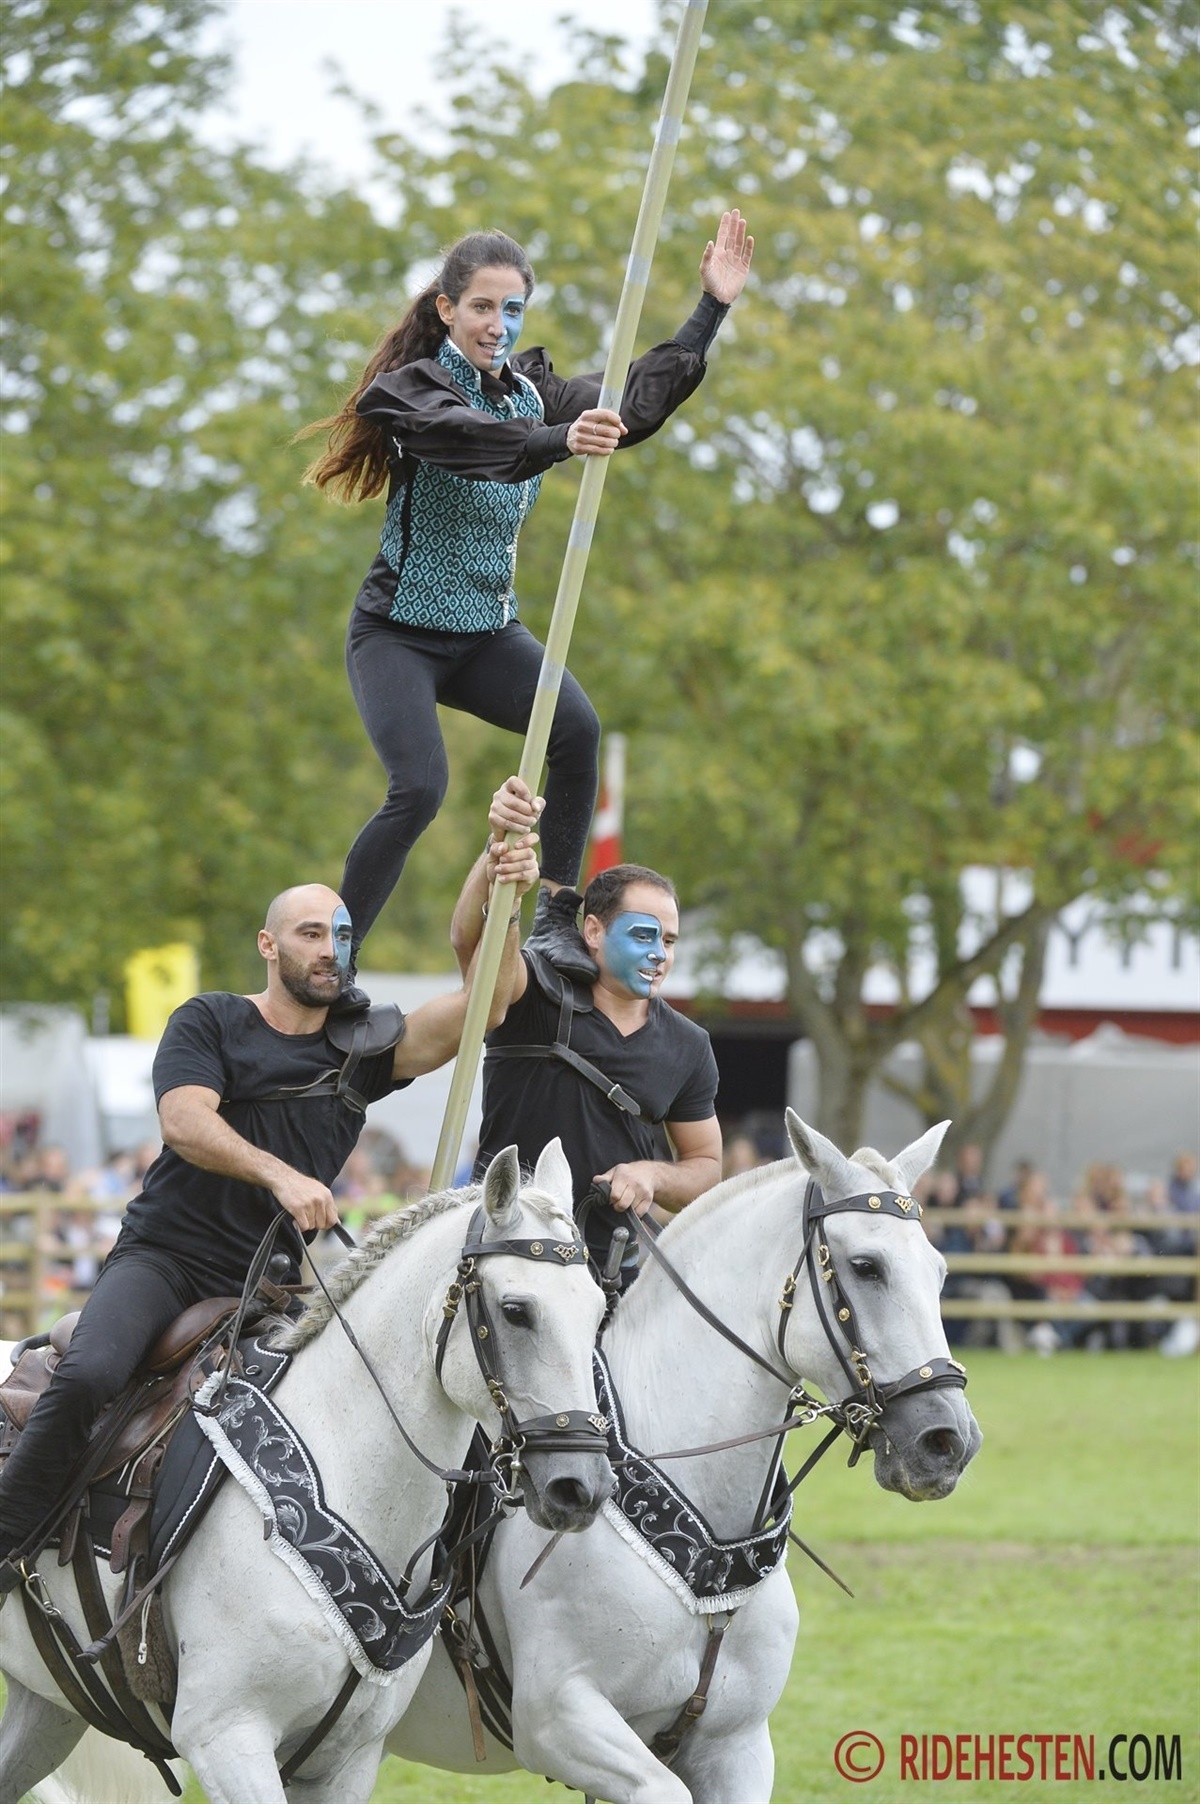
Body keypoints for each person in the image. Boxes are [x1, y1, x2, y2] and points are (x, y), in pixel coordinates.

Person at [0, 819, 539, 1584]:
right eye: (311, 933)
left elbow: (490, 1001)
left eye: (341, 937)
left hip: (279, 1285)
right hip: (168, 1263)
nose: (329, 950)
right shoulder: (211, 1020)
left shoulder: (363, 1050)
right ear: (268, 944)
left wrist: (498, 884)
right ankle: (7, 1543)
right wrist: (281, 1175)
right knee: (90, 1374)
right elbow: (185, 1121)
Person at [299, 212, 755, 1004]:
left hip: (485, 636)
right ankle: (339, 960)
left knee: (578, 730)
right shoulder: (416, 394)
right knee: (420, 788)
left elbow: (631, 400)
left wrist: (710, 309)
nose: (498, 324)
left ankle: (556, 919)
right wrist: (559, 439)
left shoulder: (533, 394)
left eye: (512, 310)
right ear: (447, 308)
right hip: (398, 634)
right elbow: (473, 443)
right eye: (482, 307)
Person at [450, 779, 722, 1285]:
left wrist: (651, 1175)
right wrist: (499, 860)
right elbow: (470, 945)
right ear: (593, 931)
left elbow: (705, 1165)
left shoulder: (689, 1045)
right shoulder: (534, 992)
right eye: (643, 935)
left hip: (609, 1276)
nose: (659, 955)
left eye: (669, 941)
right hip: (500, 1263)